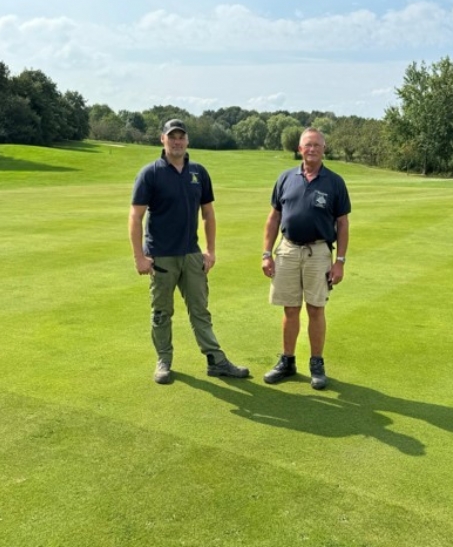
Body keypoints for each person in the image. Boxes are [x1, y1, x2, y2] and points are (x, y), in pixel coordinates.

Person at [129, 119, 249, 384]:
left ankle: (216, 361)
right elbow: (135, 216)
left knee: (200, 311)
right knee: (162, 312)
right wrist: (139, 257)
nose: (177, 141)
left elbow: (208, 213)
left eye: (181, 137)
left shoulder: (198, 172)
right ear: (162, 139)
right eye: (172, 136)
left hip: (191, 254)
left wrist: (210, 250)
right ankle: (164, 361)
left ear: (187, 140)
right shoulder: (150, 173)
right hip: (161, 256)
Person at [260, 127, 351, 390]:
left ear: (324, 149)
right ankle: (287, 361)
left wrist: (340, 261)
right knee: (290, 308)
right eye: (307, 145)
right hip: (287, 250)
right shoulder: (286, 178)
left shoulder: (334, 182)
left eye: (317, 145)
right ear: (299, 149)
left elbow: (342, 223)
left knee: (315, 308)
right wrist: (266, 253)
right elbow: (274, 218)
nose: (312, 149)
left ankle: (316, 364)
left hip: (319, 251)